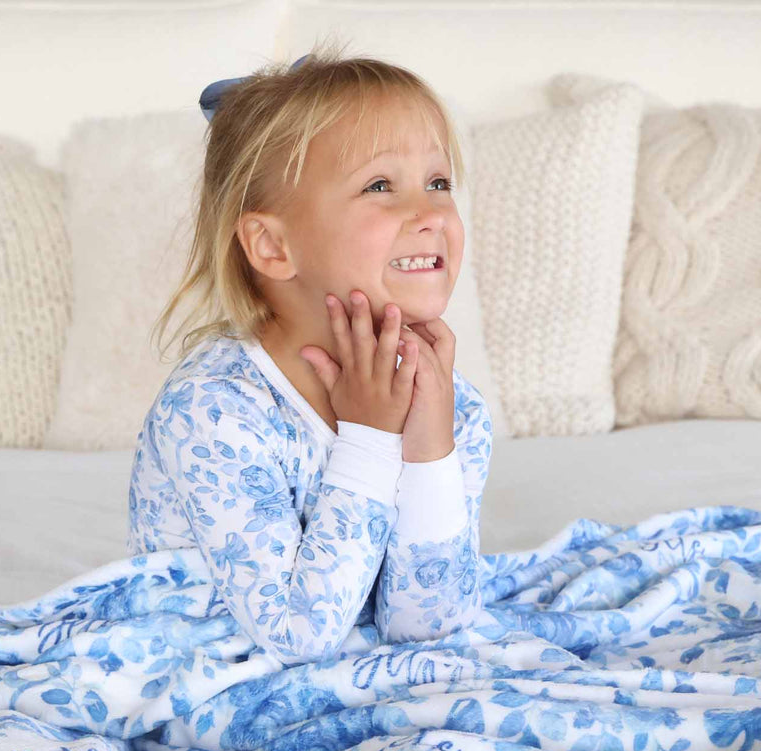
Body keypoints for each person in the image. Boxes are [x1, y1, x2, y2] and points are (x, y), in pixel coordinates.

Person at [127, 42, 493, 667]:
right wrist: (371, 438)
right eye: (381, 185)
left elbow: (430, 628)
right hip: (216, 684)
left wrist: (430, 451)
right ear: (272, 246)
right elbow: (298, 637)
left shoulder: (454, 409)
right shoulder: (213, 411)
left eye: (438, 182)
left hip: (360, 678)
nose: (431, 212)